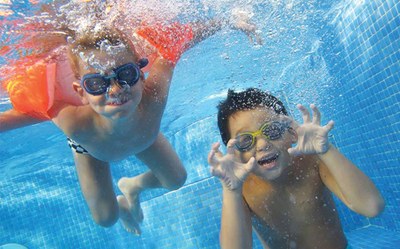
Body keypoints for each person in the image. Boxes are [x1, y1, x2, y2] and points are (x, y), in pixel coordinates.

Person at [0, 2, 262, 235]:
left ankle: (132, 186)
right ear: (81, 92)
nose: (115, 90)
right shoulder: (74, 123)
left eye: (125, 75)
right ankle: (122, 204)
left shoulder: (154, 95)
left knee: (176, 180)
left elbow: (182, 40)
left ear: (141, 74)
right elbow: (22, 115)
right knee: (105, 218)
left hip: (143, 135)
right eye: (96, 84)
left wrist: (229, 21)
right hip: (92, 149)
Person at [207, 88, 385, 249]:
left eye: (272, 129)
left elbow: (372, 207)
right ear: (234, 152)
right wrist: (231, 191)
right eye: (246, 140)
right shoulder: (242, 188)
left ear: (291, 132)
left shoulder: (312, 163)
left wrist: (326, 150)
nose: (262, 144)